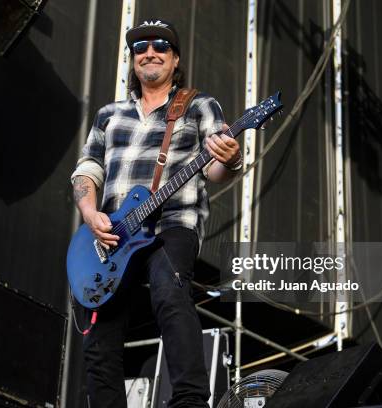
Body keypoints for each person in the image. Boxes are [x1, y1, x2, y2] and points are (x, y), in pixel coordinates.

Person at [71, 19, 242, 408]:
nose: (150, 52)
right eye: (140, 47)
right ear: (133, 61)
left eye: (161, 46)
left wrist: (230, 160)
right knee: (99, 337)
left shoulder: (199, 105)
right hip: (112, 234)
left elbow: (215, 170)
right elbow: (87, 169)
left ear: (175, 58)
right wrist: (89, 211)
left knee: (170, 292)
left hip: (172, 223)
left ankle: (189, 400)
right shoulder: (108, 114)